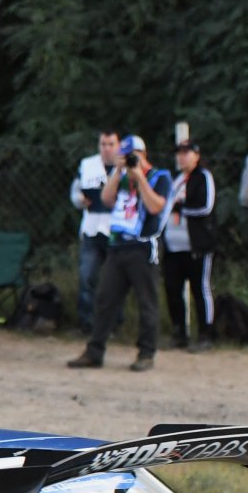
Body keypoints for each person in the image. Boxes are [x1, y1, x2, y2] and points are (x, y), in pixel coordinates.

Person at [69, 135, 172, 371]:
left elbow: (156, 205)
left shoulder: (159, 177)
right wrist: (118, 173)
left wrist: (139, 177)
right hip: (117, 246)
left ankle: (146, 353)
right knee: (105, 299)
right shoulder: (121, 176)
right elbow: (106, 199)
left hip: (142, 246)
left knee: (147, 301)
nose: (127, 161)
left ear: (143, 154)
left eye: (131, 156)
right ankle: (95, 350)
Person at [162, 139, 218, 351]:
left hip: (197, 245)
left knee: (200, 289)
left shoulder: (203, 177)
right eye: (179, 153)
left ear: (196, 155)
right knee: (172, 288)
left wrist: (181, 209)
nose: (181, 157)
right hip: (173, 246)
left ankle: (206, 333)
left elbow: (205, 207)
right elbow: (166, 207)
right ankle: (179, 333)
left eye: (186, 153)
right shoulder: (176, 180)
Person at [69, 129, 120, 334]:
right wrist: (80, 200)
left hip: (115, 230)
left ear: (118, 145)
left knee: (115, 281)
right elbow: (75, 191)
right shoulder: (87, 165)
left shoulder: (125, 167)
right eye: (103, 144)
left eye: (111, 144)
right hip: (91, 228)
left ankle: (114, 324)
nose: (106, 149)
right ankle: (86, 323)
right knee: (87, 276)